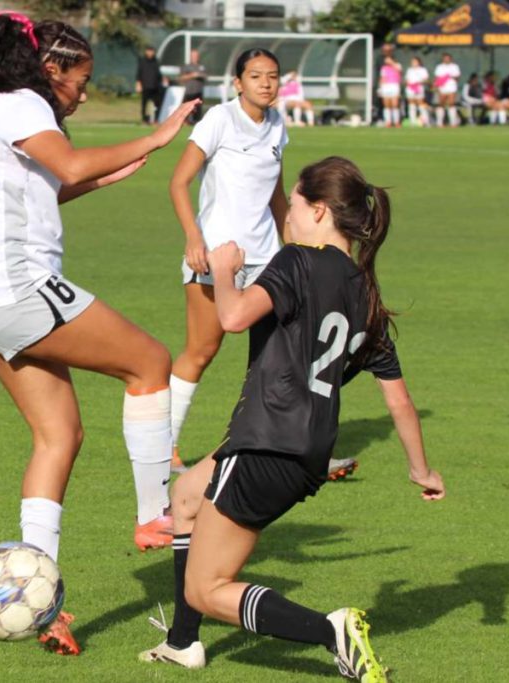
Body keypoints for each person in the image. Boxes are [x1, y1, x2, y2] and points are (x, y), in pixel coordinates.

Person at [0, 13, 199, 655]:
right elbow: (69, 160)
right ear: (50, 68)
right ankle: (152, 515)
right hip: (17, 287)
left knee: (58, 435)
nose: (84, 92)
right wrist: (158, 136)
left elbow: (39, 192)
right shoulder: (23, 102)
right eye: (81, 79)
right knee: (148, 361)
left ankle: (38, 600)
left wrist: (92, 181)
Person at [139, 156, 446, 679]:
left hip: (265, 442)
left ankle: (332, 632)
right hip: (305, 454)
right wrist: (421, 471)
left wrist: (223, 270)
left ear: (321, 211)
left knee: (207, 588)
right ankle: (183, 642)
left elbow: (233, 317)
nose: (287, 215)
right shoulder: (366, 296)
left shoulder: (298, 259)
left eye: (295, 204)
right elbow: (399, 401)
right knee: (187, 496)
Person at [168, 49, 288, 476]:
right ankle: (165, 446)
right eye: (256, 76)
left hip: (266, 258)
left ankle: (279, 444)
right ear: (238, 83)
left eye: (272, 76)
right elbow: (179, 182)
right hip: (217, 255)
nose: (266, 84)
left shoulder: (277, 124)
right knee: (202, 350)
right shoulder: (219, 118)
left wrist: (294, 247)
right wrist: (194, 238)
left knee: (277, 354)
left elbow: (276, 194)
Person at [136, 45, 166, 125]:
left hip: (155, 86)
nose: (150, 53)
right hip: (145, 86)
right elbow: (139, 73)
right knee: (144, 105)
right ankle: (145, 120)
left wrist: (163, 79)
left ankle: (156, 120)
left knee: (157, 104)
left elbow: (158, 74)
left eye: (152, 51)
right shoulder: (142, 61)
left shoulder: (156, 61)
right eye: (149, 51)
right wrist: (138, 84)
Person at [179, 49, 207, 124]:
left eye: (196, 56)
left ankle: (196, 122)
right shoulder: (186, 66)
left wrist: (199, 75)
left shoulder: (201, 67)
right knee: (188, 109)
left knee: (198, 110)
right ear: (191, 57)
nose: (195, 57)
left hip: (198, 92)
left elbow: (205, 76)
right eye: (193, 56)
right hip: (189, 92)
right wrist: (192, 75)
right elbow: (181, 78)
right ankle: (186, 122)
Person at [433, 53, 460, 127]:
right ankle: (440, 122)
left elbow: (457, 77)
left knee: (451, 103)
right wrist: (436, 86)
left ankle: (453, 122)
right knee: (441, 103)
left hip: (451, 87)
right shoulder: (439, 67)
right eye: (445, 58)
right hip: (442, 87)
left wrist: (450, 77)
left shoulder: (455, 66)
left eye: (448, 58)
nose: (447, 59)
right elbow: (437, 78)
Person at [404, 56, 430, 127]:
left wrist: (418, 83)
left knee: (421, 104)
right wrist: (408, 83)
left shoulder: (422, 70)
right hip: (410, 88)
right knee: (411, 104)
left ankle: (426, 121)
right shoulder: (409, 70)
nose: (414, 63)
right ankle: (412, 121)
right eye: (412, 62)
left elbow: (426, 79)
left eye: (415, 62)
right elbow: (407, 79)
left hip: (419, 88)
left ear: (419, 62)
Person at [378, 52, 402, 127]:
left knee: (395, 104)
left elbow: (399, 70)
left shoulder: (397, 65)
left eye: (388, 59)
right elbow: (382, 78)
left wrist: (392, 63)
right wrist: (380, 88)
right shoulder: (384, 68)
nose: (386, 61)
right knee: (387, 105)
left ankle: (396, 121)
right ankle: (388, 121)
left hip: (394, 85)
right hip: (386, 86)